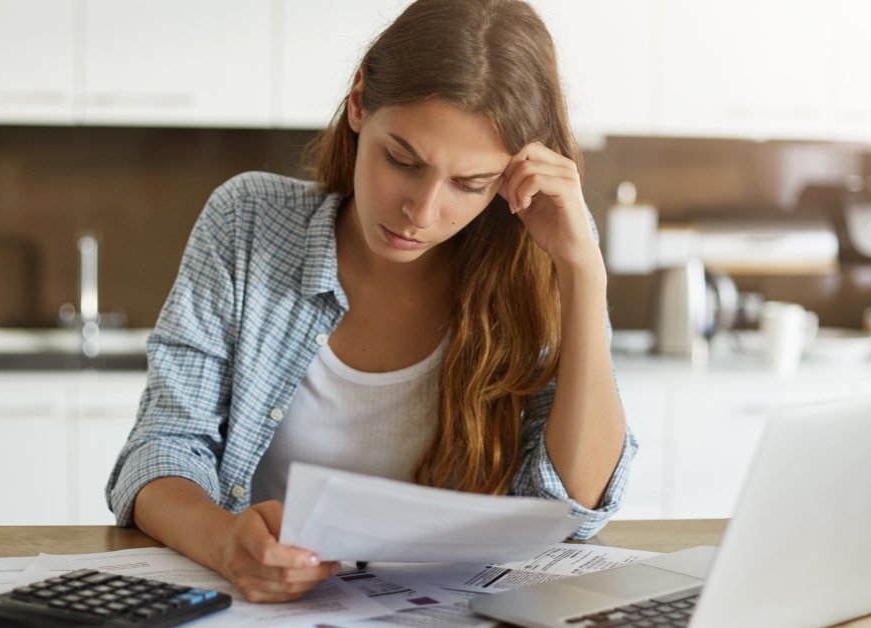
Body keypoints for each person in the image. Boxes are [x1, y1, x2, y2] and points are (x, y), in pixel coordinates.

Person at [106, 0, 636, 604]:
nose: (423, 211)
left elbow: (578, 506)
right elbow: (161, 450)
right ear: (359, 102)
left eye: (470, 184)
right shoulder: (247, 222)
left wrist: (582, 269)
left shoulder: (535, 271)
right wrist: (228, 544)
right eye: (403, 161)